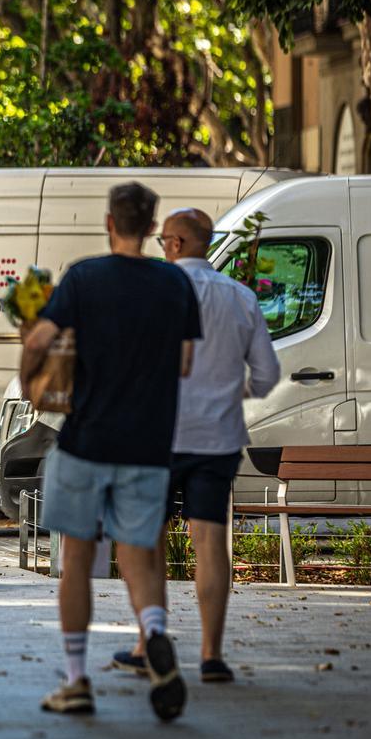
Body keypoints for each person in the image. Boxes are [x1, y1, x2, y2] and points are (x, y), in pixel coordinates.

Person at [20, 182, 200, 720]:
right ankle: (154, 633)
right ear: (150, 227)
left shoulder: (83, 277)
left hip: (87, 440)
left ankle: (76, 680)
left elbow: (38, 340)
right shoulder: (174, 283)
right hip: (149, 444)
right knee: (138, 554)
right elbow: (186, 363)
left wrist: (30, 376)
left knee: (76, 559)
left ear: (108, 222)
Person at [112, 208, 280, 684]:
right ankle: (211, 655)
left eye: (164, 240)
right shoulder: (241, 297)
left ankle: (149, 642)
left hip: (155, 436)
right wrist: (231, 391)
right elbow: (266, 375)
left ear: (178, 244)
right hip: (218, 438)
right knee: (210, 540)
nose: (160, 247)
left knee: (148, 539)